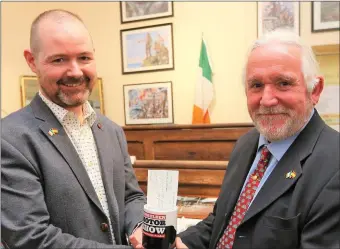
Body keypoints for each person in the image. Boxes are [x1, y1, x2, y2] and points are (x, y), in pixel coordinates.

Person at [175, 29, 340, 249]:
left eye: (283, 83)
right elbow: (221, 223)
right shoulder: (246, 144)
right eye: (256, 85)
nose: (267, 99)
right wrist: (177, 243)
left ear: (315, 90)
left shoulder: (334, 165)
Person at [1, 9, 146, 249]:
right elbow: (31, 238)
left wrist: (139, 228)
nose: (76, 71)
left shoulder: (111, 130)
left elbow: (132, 197)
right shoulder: (9, 139)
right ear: (31, 61)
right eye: (59, 59)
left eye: (84, 58)